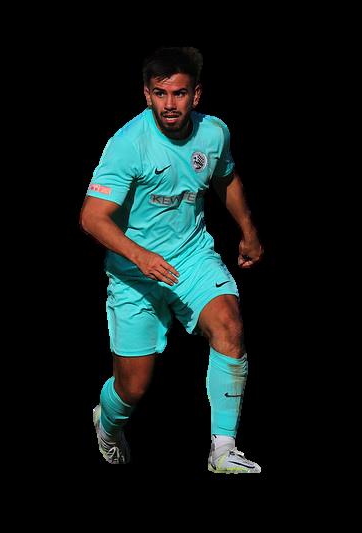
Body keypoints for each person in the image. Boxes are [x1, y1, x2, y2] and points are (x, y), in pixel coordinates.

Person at [80, 47, 262, 473]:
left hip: (192, 258)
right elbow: (91, 217)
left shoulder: (213, 133)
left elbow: (226, 177)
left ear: (196, 94)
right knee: (133, 387)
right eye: (160, 94)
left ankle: (223, 448)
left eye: (179, 93)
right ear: (147, 94)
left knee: (229, 323)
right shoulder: (128, 145)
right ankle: (107, 424)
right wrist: (140, 256)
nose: (169, 104)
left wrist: (249, 231)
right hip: (134, 274)